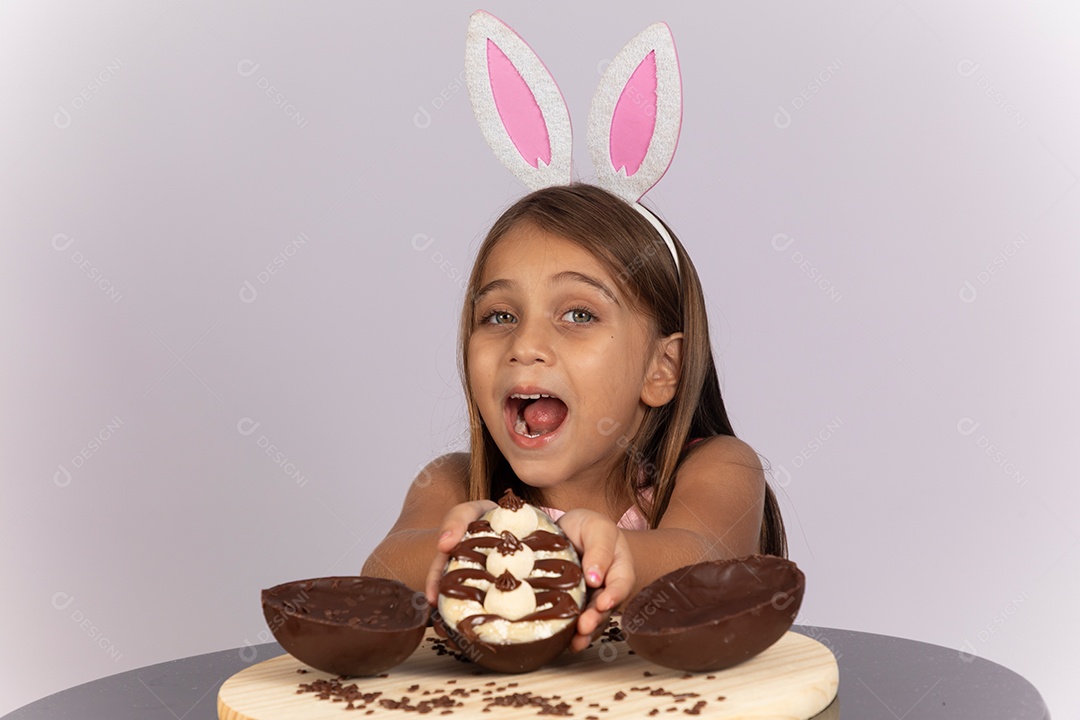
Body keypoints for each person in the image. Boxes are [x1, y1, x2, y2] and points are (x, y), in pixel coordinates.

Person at [362, 182, 787, 652]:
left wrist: (611, 552)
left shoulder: (718, 466)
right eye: (500, 316)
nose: (524, 346)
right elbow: (382, 570)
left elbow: (705, 559)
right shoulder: (453, 483)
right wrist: (481, 544)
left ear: (662, 368)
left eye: (579, 315)